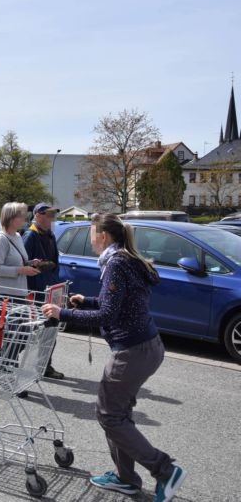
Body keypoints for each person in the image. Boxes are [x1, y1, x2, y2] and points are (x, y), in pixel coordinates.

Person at [41, 213, 185, 502]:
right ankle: (125, 478)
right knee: (117, 414)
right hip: (146, 345)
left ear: (103, 236)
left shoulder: (116, 263)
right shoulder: (123, 259)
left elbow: (108, 315)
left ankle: (164, 470)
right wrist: (87, 301)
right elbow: (117, 305)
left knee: (108, 415)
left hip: (133, 350)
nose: (91, 239)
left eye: (92, 234)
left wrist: (62, 314)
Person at [0, 202, 41, 397]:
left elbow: (17, 261)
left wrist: (30, 263)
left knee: (23, 333)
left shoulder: (17, 236)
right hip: (2, 293)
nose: (24, 219)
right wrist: (21, 270)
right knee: (14, 334)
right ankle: (9, 377)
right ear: (10, 218)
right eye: (21, 216)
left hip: (18, 293)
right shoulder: (0, 239)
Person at [23, 203, 65, 380]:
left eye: (52, 215)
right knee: (42, 330)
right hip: (36, 292)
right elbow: (24, 264)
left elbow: (55, 262)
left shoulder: (50, 235)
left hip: (51, 289)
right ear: (38, 216)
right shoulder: (30, 236)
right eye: (48, 215)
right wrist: (39, 265)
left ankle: (44, 365)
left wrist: (54, 275)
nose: (51, 219)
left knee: (51, 328)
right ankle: (37, 366)